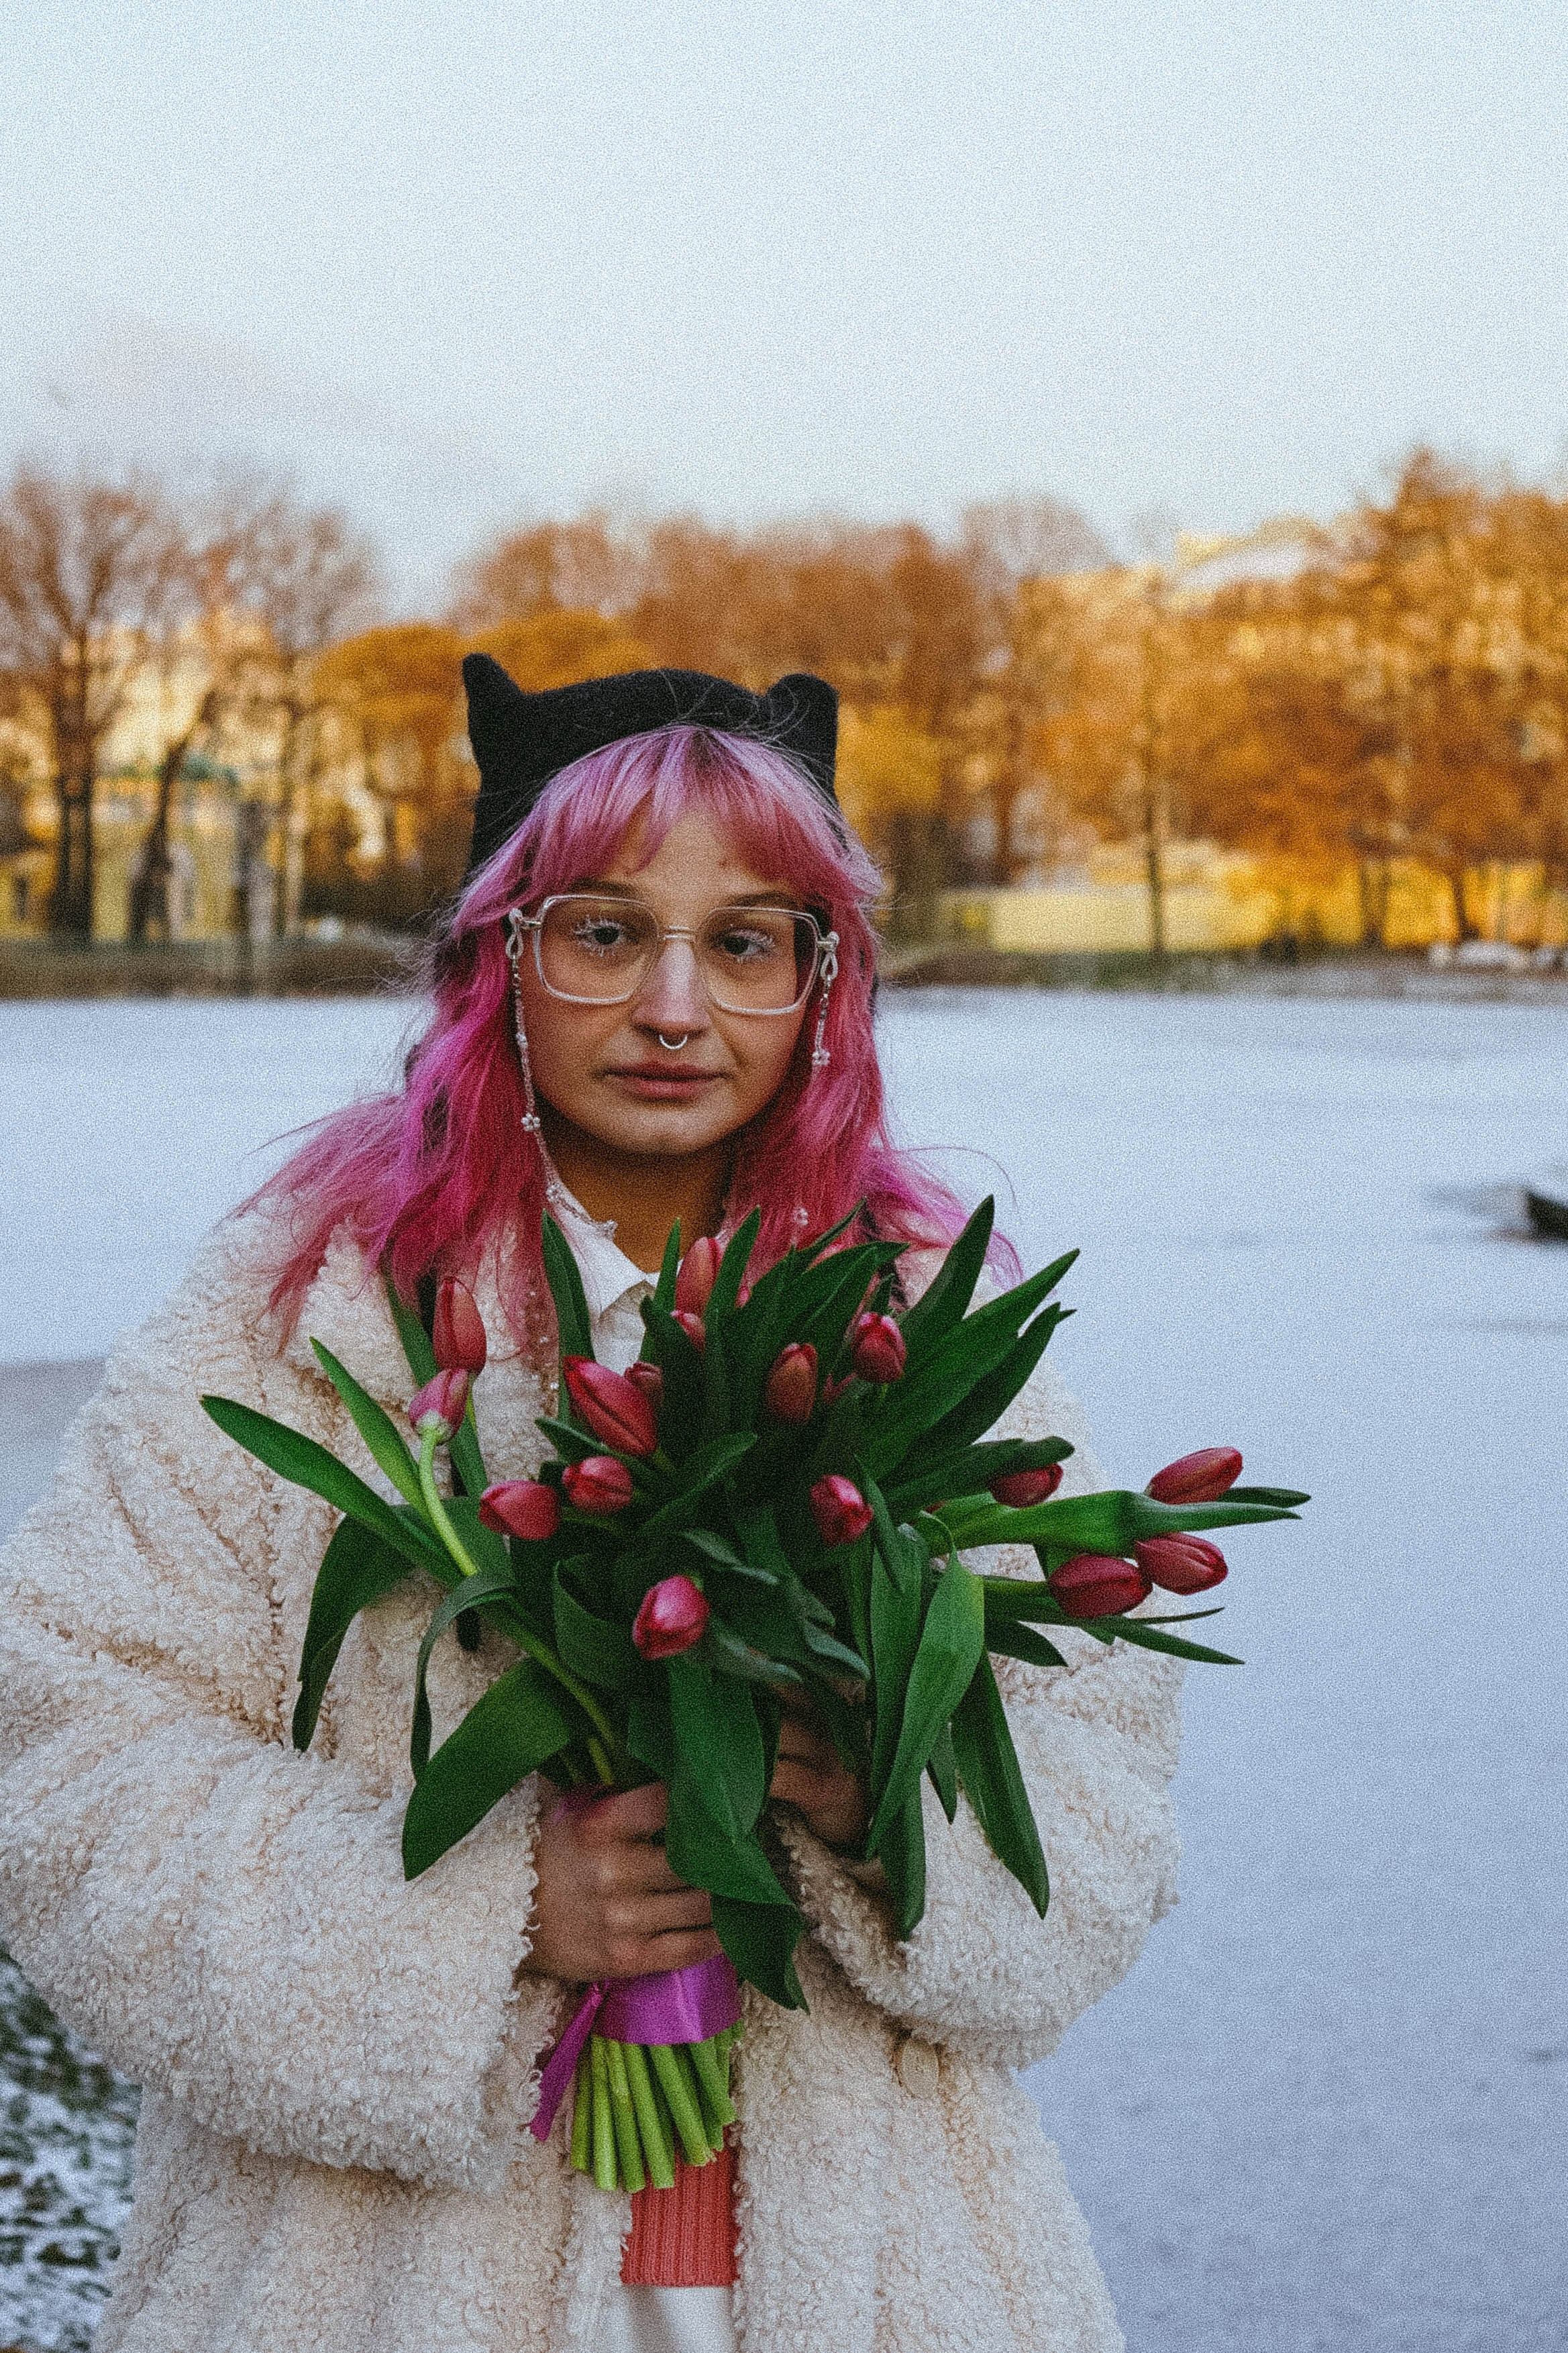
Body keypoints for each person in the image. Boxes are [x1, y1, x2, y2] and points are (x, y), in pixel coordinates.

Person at [0, 658, 1185, 2353]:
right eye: (606, 932)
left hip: (864, 2273)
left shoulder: (914, 1312)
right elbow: (62, 1766)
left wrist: (882, 1803)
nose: (674, 1008)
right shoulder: (303, 1314)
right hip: (378, 2286)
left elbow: (1104, 1797)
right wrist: (484, 1910)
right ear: (497, 954)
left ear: (822, 979)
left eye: (746, 941)